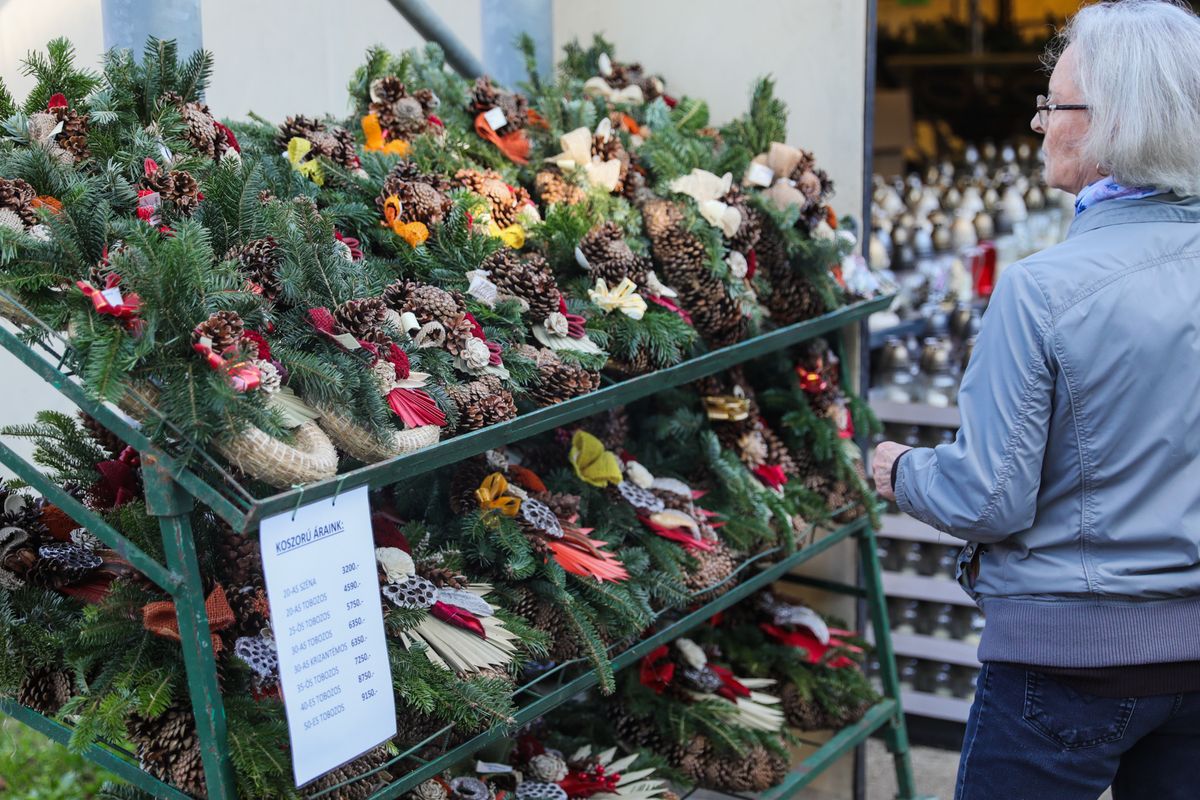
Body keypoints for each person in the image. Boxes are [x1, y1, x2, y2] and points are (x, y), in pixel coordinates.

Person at [871, 2, 1200, 798]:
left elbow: (990, 496)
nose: (1038, 124)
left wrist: (900, 468)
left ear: (1112, 121)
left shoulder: (1043, 289)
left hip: (1064, 662)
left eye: (1054, 105)